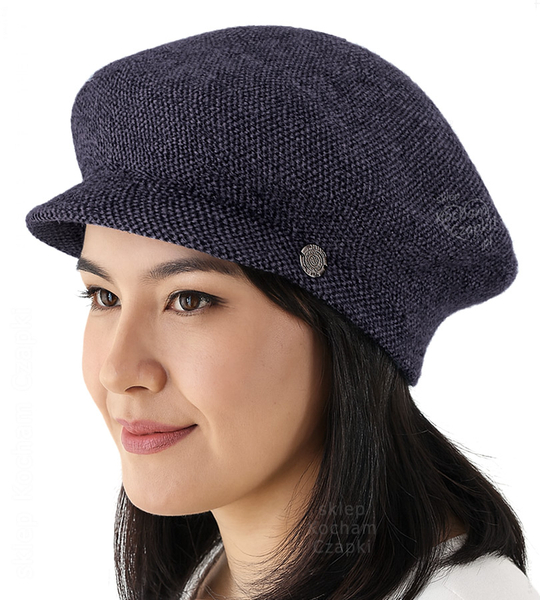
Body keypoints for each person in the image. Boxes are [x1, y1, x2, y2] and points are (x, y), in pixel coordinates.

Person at [25, 25, 539, 600]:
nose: (118, 371)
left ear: (344, 326)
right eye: (104, 296)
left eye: (189, 300)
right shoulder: (208, 575)